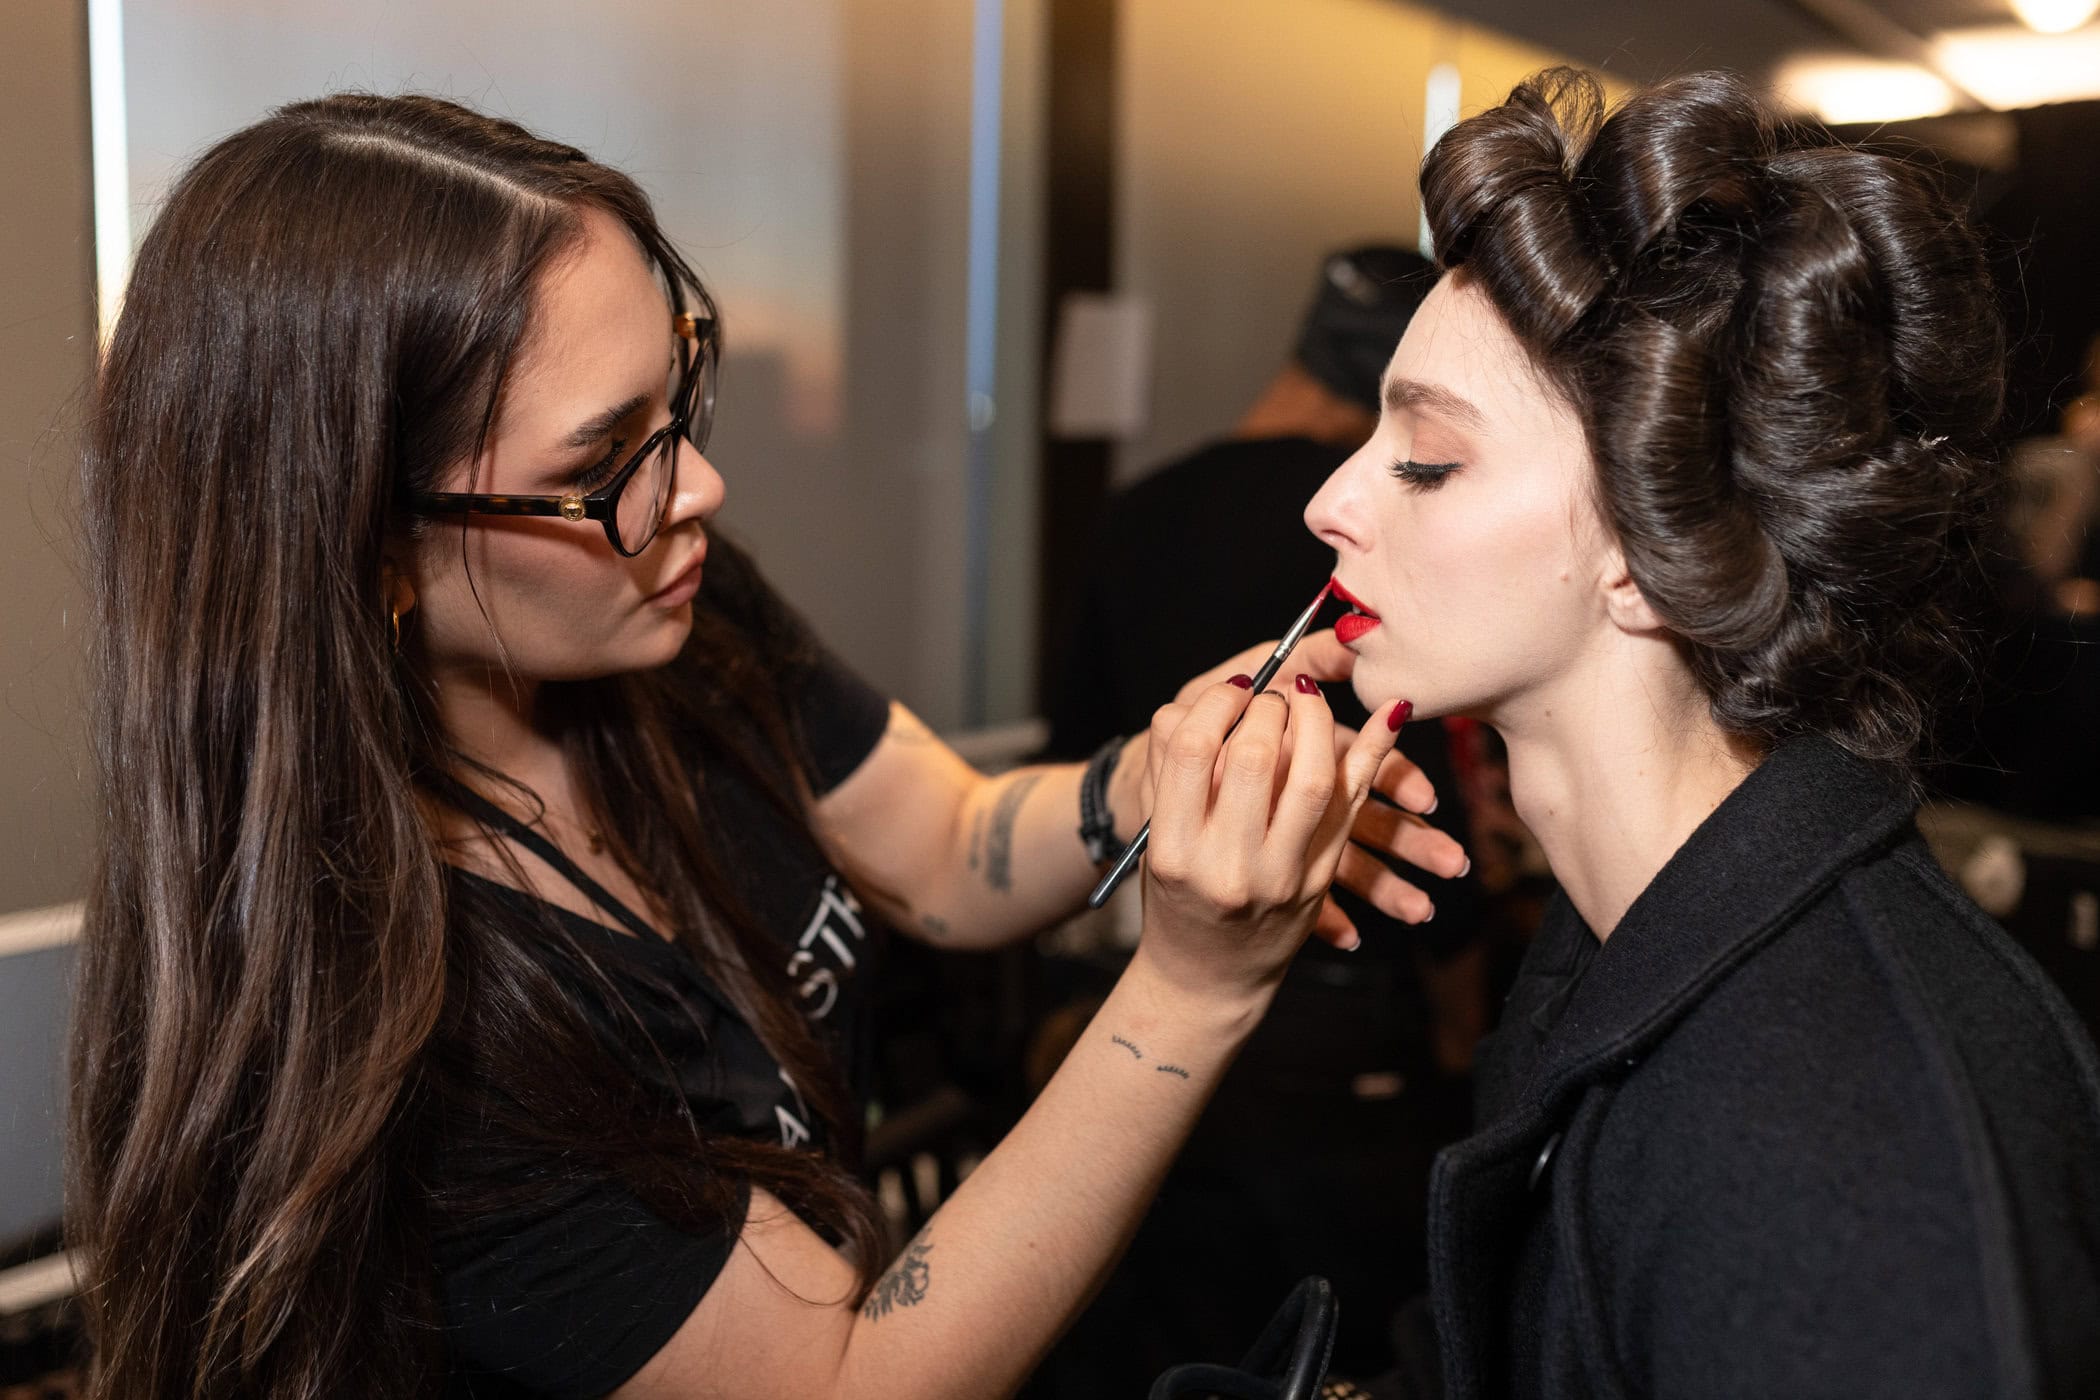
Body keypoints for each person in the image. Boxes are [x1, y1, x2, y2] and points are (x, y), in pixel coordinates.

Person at [66, 95, 1470, 1399]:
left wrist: (1147, 786)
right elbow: (850, 1378)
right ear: (370, 553)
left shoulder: (670, 612)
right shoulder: (411, 1045)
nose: (700, 489)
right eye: (601, 463)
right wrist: (1197, 986)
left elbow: (942, 848)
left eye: (676, 398)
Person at [1302, 69, 2100, 1398]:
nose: (1330, 501)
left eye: (1427, 460)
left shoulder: (1847, 1178)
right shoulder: (1620, 936)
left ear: (1651, 540)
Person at [1039, 246, 1488, 1389]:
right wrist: (1458, 1030)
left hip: (1137, 1057)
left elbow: (1074, 768)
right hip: (1327, 1069)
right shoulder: (1380, 545)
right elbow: (1420, 818)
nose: (1344, 506)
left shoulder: (1139, 513)